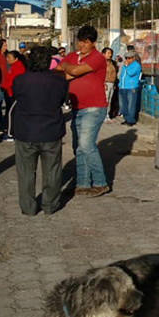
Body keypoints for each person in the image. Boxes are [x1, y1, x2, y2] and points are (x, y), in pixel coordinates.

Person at [10, 46, 68, 215]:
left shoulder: (19, 80)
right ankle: (50, 205)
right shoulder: (59, 81)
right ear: (49, 62)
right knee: (52, 171)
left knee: (26, 172)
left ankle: (28, 207)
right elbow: (61, 101)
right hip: (51, 131)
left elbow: (15, 98)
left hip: (26, 131)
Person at [58, 25, 110, 196]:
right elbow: (59, 74)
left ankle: (101, 182)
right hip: (77, 107)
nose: (82, 45)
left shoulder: (97, 58)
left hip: (94, 107)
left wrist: (66, 65)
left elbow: (73, 70)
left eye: (86, 42)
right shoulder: (73, 56)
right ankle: (83, 183)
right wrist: (70, 70)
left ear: (93, 43)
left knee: (87, 145)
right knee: (78, 148)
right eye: (80, 41)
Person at [1, 50, 26, 142]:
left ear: (16, 59)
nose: (7, 59)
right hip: (10, 92)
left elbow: (12, 81)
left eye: (9, 58)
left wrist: (3, 86)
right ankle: (10, 131)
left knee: (11, 113)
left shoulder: (18, 67)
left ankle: (11, 133)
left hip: (15, 93)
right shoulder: (13, 66)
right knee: (11, 112)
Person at [118, 50, 142, 126]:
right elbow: (122, 75)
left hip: (131, 88)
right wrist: (120, 84)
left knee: (131, 105)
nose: (127, 60)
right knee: (123, 105)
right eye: (126, 58)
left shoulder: (136, 66)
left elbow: (131, 73)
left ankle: (131, 120)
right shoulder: (124, 66)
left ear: (133, 58)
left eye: (129, 58)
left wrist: (127, 67)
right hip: (122, 87)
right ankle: (126, 118)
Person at [102, 47, 119, 123]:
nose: (110, 55)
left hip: (112, 83)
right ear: (103, 54)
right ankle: (104, 116)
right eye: (108, 53)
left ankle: (107, 115)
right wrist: (103, 83)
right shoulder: (102, 63)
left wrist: (114, 83)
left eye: (111, 53)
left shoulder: (113, 63)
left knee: (109, 100)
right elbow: (100, 74)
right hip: (105, 83)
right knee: (105, 100)